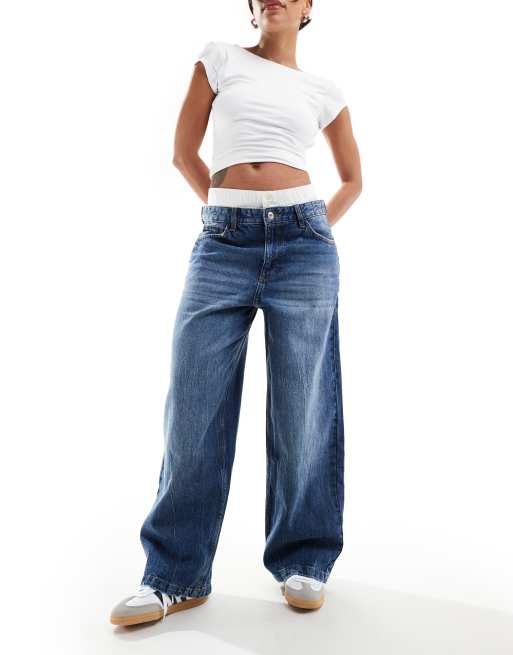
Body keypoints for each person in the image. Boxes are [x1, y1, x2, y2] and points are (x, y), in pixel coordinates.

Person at [110, 0, 362, 626]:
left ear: (308, 7)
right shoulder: (219, 59)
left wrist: (310, 230)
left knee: (304, 406)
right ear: (251, 9)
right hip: (223, 243)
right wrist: (230, 214)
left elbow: (353, 180)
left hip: (306, 244)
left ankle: (304, 559)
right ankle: (173, 576)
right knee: (193, 406)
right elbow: (183, 153)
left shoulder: (324, 90)